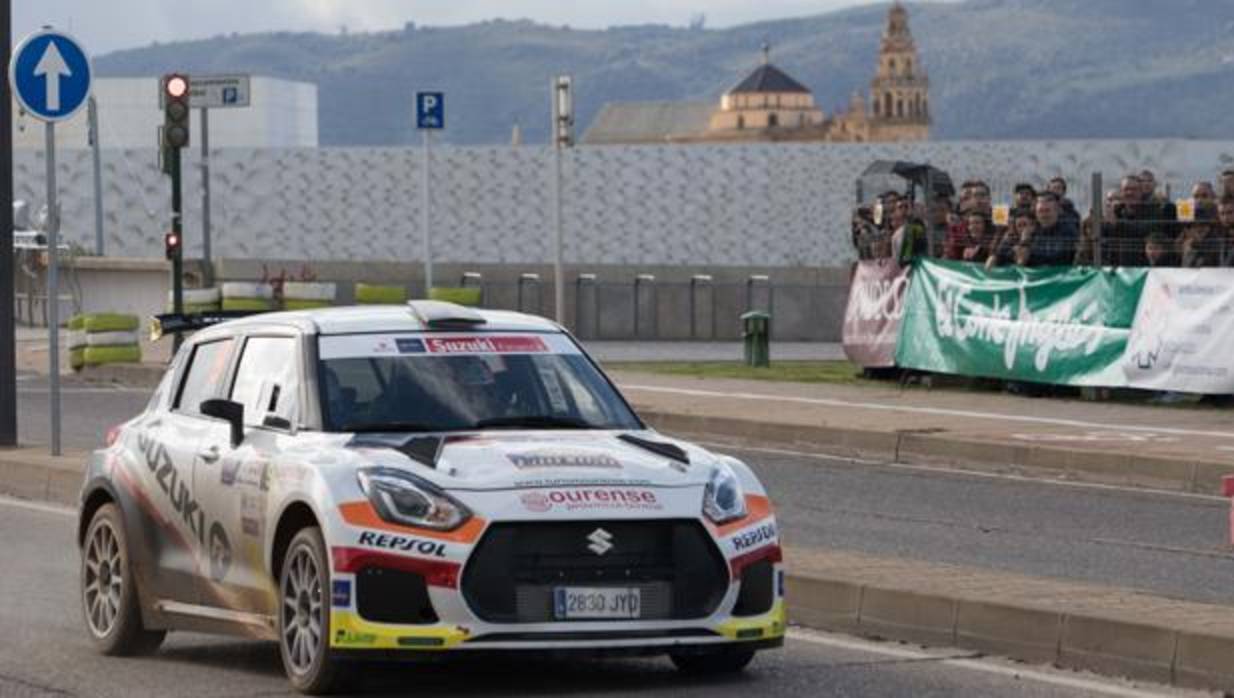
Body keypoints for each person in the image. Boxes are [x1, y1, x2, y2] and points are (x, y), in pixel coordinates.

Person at [1021, 193, 1079, 267]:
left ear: (1057, 211)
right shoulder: (1031, 231)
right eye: (1040, 211)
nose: (1044, 215)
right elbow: (1019, 262)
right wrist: (1024, 242)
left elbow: (1067, 258)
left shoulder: (1069, 232)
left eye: (1047, 210)